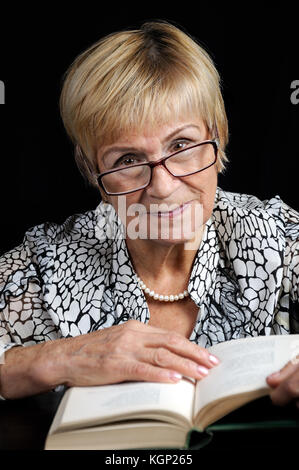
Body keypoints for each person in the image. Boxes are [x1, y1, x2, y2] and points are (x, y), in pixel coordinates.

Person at [0, 21, 298, 408]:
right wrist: (54, 359)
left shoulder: (279, 238)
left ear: (217, 138)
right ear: (92, 170)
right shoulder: (44, 266)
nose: (162, 186)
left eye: (182, 144)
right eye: (127, 159)